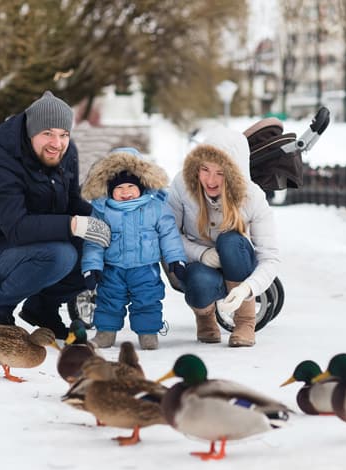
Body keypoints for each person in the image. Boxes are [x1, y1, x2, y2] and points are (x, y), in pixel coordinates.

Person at [0, 90, 111, 338]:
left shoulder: (66, 153)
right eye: (48, 134)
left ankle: (42, 308)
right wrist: (74, 225)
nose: (57, 143)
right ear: (31, 132)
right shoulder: (0, 162)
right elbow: (17, 227)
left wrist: (106, 221)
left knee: (102, 249)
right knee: (61, 255)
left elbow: (72, 201)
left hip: (41, 243)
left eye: (63, 134)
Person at [167, 125, 280, 347]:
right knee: (199, 282)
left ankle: (245, 321)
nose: (210, 180)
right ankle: (205, 317)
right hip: (200, 265)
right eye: (205, 170)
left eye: (220, 173)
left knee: (231, 240)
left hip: (237, 261)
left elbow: (271, 257)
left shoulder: (252, 197)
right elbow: (169, 235)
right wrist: (202, 253)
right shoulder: (181, 185)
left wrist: (246, 290)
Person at [80, 147, 187, 350]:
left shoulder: (155, 207)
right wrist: (91, 266)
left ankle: (148, 334)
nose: (126, 192)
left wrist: (176, 259)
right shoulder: (102, 210)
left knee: (148, 300)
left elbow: (169, 234)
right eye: (119, 188)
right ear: (110, 189)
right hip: (113, 268)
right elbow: (94, 241)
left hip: (145, 269)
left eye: (131, 186)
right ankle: (105, 333)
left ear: (142, 186)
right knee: (108, 301)